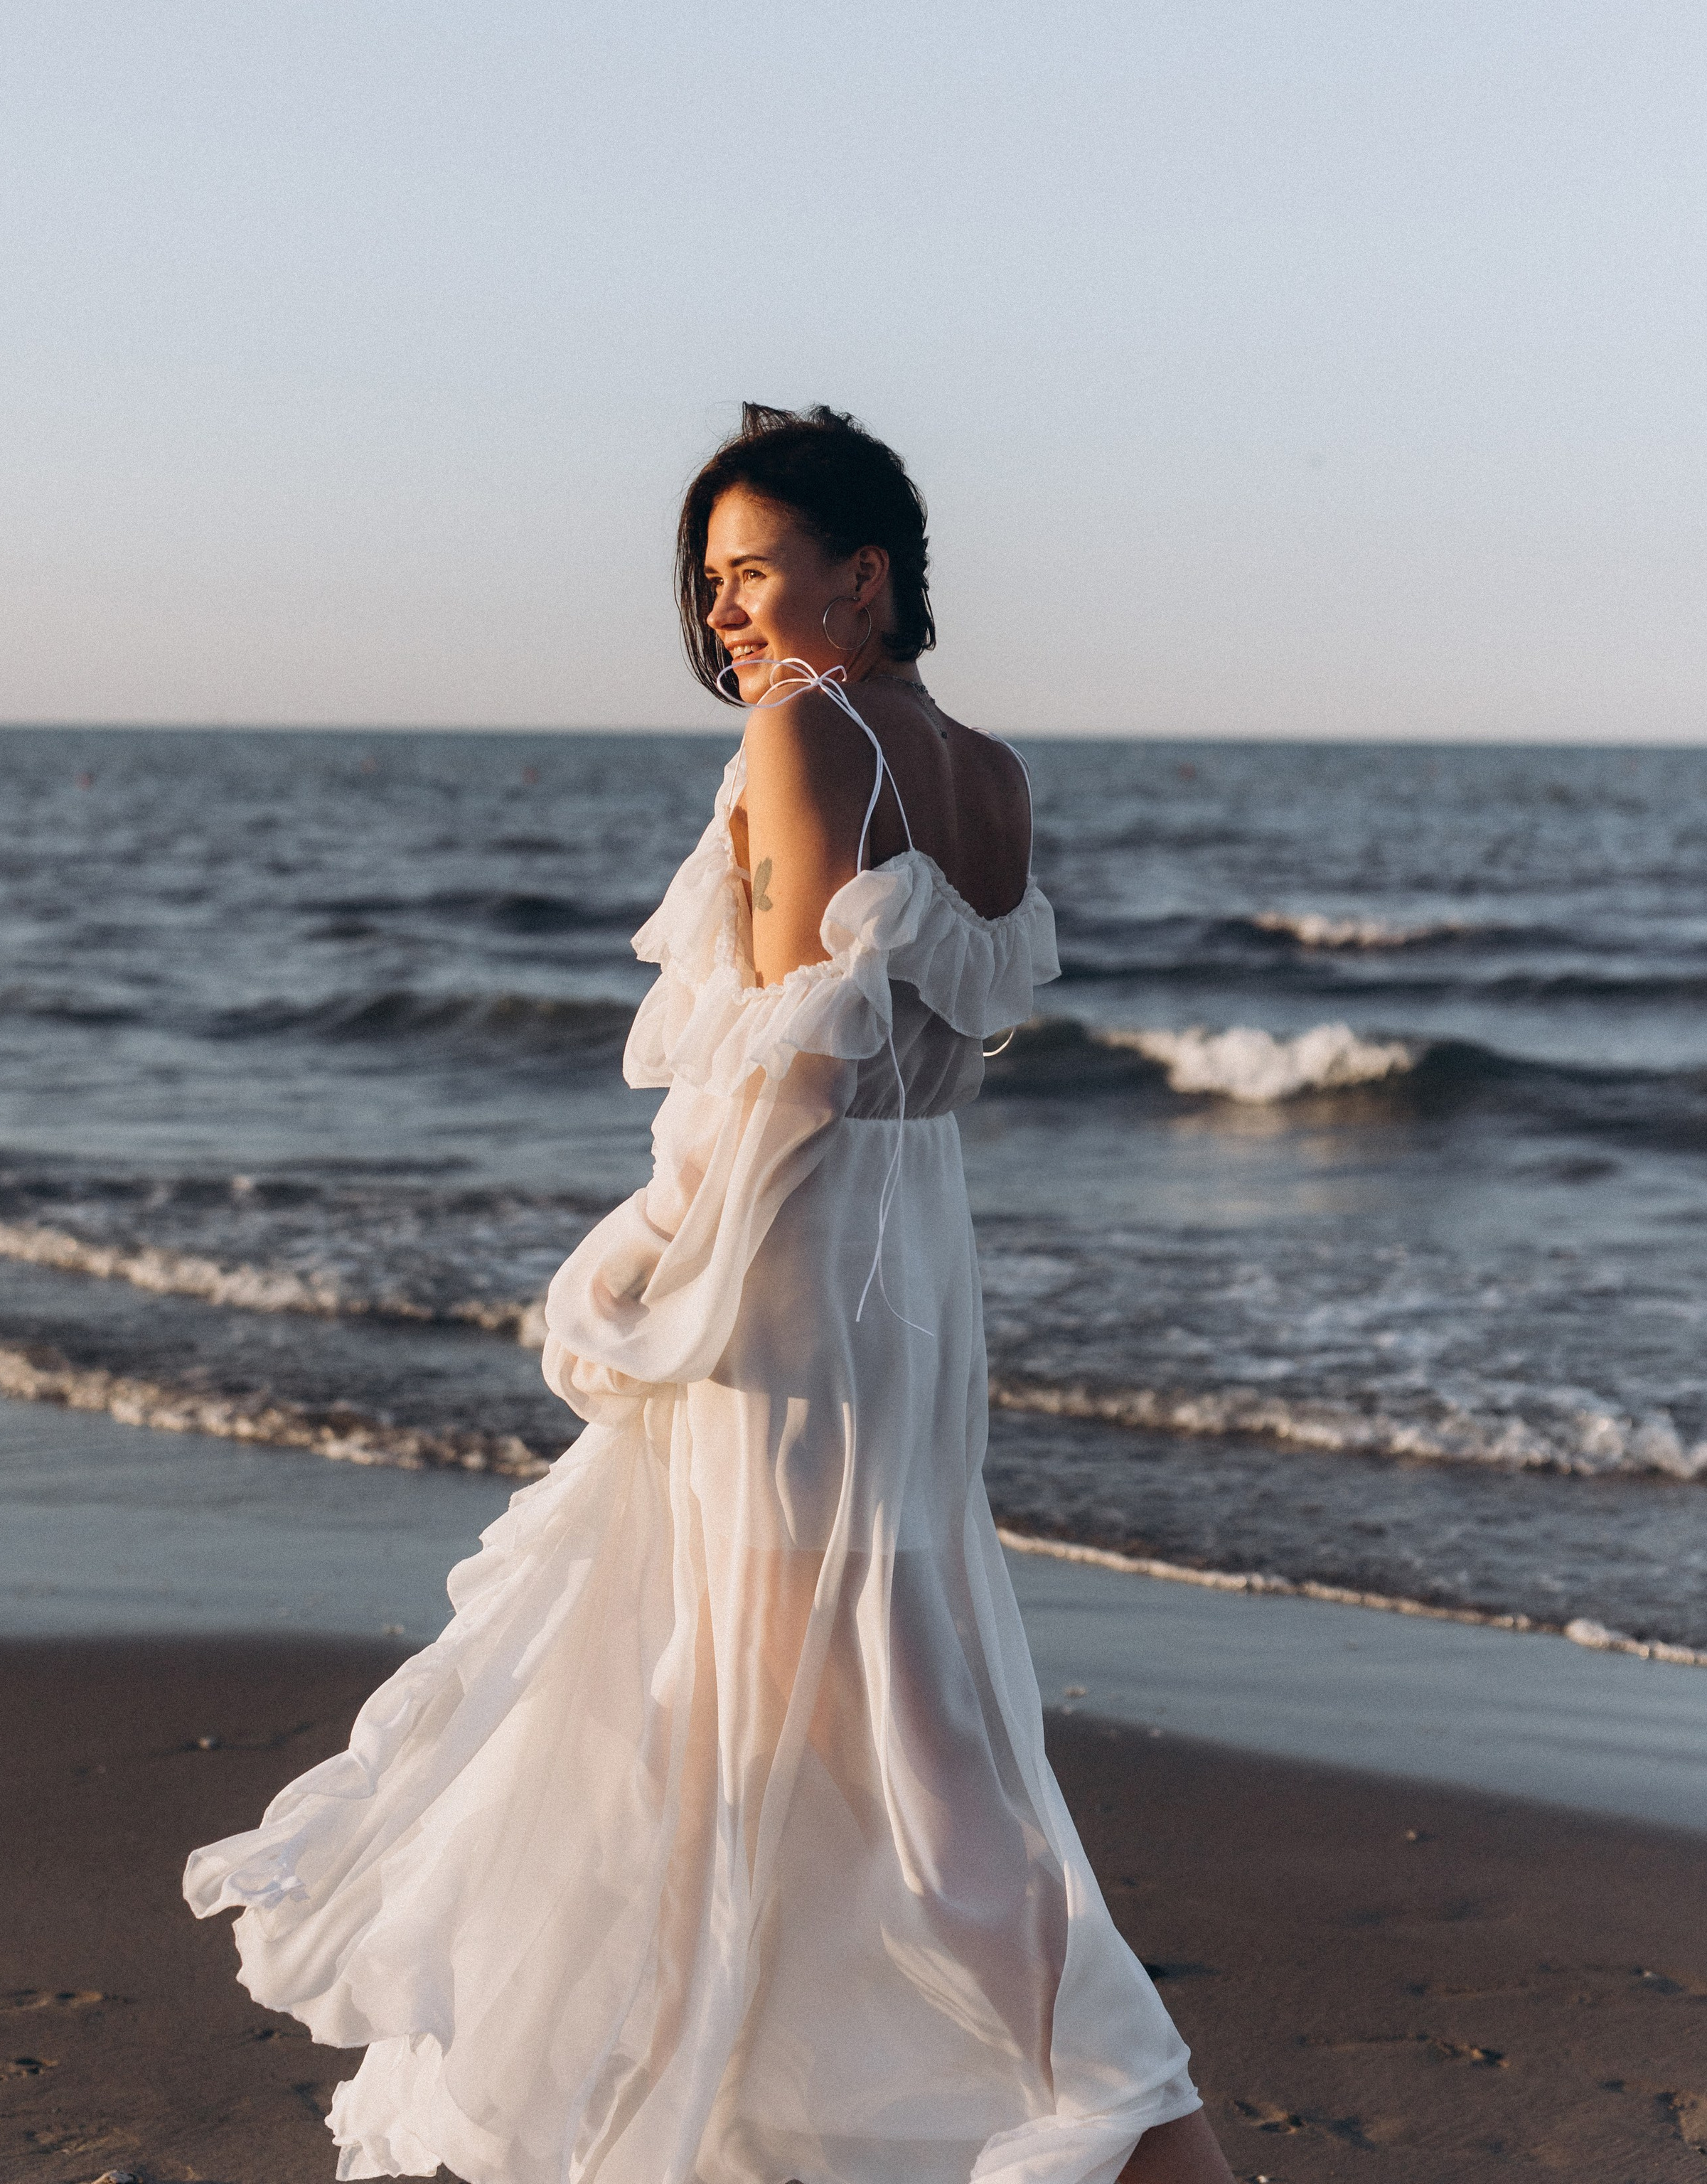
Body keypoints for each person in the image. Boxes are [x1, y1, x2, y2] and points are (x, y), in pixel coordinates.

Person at [185, 405, 1233, 2184]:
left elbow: (789, 1063)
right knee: (829, 1710)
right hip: (913, 1273)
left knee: (857, 1735)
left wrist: (645, 1264)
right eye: (711, 581)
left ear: (864, 573)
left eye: (754, 571)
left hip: (796, 1279)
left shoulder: (802, 735)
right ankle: (765, 2105)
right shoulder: (986, 765)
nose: (727, 611)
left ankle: (1134, 2113)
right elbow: (925, 1051)